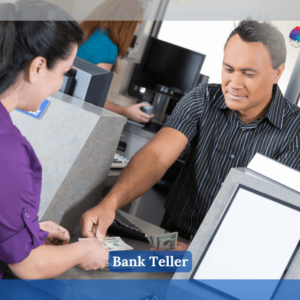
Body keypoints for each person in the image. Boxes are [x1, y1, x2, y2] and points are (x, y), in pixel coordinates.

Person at [80, 19, 300, 250]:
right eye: (228, 69)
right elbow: (157, 156)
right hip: (172, 238)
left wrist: (203, 252)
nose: (234, 84)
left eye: (248, 73)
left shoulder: (295, 130)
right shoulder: (202, 98)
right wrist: (110, 203)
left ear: (277, 73)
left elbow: (272, 214)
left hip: (232, 254)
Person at [0, 1, 108, 280]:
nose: (60, 85)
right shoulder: (10, 151)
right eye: (63, 73)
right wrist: (86, 250)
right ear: (37, 67)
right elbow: (31, 265)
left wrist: (26, 232)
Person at [77, 0, 154, 123]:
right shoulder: (107, 47)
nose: (134, 31)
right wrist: (126, 111)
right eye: (136, 26)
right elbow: (95, 99)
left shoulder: (85, 33)